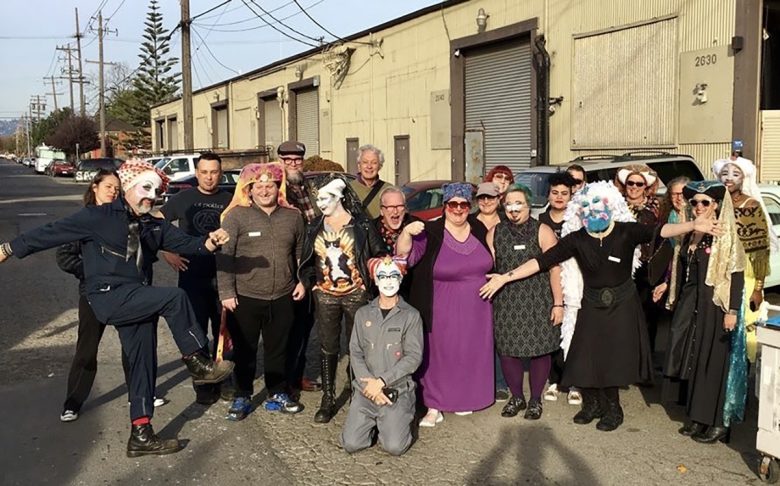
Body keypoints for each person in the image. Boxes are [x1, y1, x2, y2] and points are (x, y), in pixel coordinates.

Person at [0, 159, 234, 456]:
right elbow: (50, 232)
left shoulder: (153, 224)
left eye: (156, 190)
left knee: (142, 362)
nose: (151, 194)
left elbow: (190, 244)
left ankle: (141, 433)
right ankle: (197, 360)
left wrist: (212, 241)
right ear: (128, 188)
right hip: (107, 295)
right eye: (144, 188)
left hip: (137, 296)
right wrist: (8, 249)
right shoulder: (97, 216)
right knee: (175, 298)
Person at [479, 181, 723, 432]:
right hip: (592, 303)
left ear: (610, 207)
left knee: (612, 359)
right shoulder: (576, 239)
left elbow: (661, 230)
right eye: (586, 207)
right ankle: (592, 404)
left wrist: (693, 224)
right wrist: (505, 277)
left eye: (598, 206)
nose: (593, 211)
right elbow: (541, 261)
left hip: (622, 305)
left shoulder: (626, 231)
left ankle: (613, 408)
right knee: (584, 356)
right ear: (580, 211)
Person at [396, 183, 494, 427]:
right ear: (445, 205)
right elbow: (405, 257)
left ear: (469, 206)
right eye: (453, 204)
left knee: (470, 352)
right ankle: (434, 405)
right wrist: (407, 233)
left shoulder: (479, 228)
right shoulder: (430, 230)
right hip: (440, 305)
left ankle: (467, 398)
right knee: (440, 355)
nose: (458, 209)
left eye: (463, 204)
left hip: (478, 308)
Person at [57, 169, 151, 422]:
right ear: (95, 187)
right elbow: (64, 257)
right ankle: (73, 402)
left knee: (133, 346)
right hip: (94, 294)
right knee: (87, 349)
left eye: (117, 189)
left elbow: (138, 255)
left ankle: (139, 393)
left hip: (128, 292)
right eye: (108, 186)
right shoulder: (82, 220)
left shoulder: (127, 220)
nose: (113, 191)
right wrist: (93, 272)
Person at [217, 163, 305, 420]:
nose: (265, 190)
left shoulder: (293, 217)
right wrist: (226, 292)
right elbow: (224, 257)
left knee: (278, 349)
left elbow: (300, 253)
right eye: (259, 186)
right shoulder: (236, 217)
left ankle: (277, 392)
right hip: (245, 296)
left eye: (270, 185)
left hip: (283, 295)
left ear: (278, 188)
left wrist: (302, 281)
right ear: (250, 190)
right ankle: (242, 395)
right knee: (245, 350)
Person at [662, 181, 745, 443]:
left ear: (717, 205)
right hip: (693, 301)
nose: (698, 207)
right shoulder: (691, 231)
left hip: (715, 303)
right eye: (695, 202)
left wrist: (731, 310)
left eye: (705, 203)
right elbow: (667, 240)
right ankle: (698, 416)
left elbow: (737, 273)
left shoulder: (725, 232)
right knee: (696, 358)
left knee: (714, 361)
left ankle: (719, 422)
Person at [299, 177, 386, 423]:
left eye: (325, 198)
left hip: (356, 293)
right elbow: (306, 258)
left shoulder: (361, 225)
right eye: (318, 199)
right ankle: (328, 398)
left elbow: (379, 253)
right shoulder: (314, 225)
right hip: (325, 295)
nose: (320, 203)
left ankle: (358, 392)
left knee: (357, 346)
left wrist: (372, 279)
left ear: (339, 198)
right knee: (327, 346)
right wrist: (311, 282)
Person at [160, 152, 233, 405]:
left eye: (214, 172)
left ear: (220, 173)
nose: (209, 177)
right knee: (197, 331)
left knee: (225, 331)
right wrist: (167, 253)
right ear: (197, 173)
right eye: (204, 172)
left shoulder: (230, 199)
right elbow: (156, 222)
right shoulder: (184, 198)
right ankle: (203, 383)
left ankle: (224, 381)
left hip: (224, 275)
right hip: (192, 275)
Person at [489, 184, 563, 420]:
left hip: (538, 298)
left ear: (528, 205)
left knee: (540, 350)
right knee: (508, 351)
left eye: (518, 203)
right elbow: (491, 267)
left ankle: (535, 400)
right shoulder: (494, 232)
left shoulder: (543, 231)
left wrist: (558, 303)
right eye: (509, 204)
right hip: (507, 300)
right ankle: (517, 397)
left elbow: (554, 269)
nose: (513, 209)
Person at [341, 257, 423, 456]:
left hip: (396, 391)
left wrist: (383, 381)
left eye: (394, 275)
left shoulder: (411, 316)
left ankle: (402, 418)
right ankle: (377, 422)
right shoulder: (362, 314)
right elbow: (356, 351)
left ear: (401, 279)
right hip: (366, 390)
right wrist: (371, 386)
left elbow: (413, 357)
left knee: (395, 447)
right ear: (375, 280)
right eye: (382, 276)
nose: (388, 281)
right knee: (351, 443)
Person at [713, 156, 778, 363]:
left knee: (741, 330)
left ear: (743, 178)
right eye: (724, 174)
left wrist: (758, 288)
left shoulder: (750, 206)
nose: (728, 179)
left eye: (735, 174)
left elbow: (760, 252)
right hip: (718, 275)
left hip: (744, 276)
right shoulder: (715, 205)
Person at [278, 140, 322, 394]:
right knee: (287, 325)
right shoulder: (276, 189)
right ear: (280, 162)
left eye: (297, 160)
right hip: (287, 266)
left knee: (305, 324)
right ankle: (283, 380)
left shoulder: (309, 187)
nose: (293, 164)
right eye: (288, 160)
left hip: (311, 264)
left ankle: (298, 375)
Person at [537, 171, 581, 406]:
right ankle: (554, 379)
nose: (560, 197)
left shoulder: (576, 219)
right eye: (555, 193)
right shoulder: (540, 220)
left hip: (573, 281)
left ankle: (574, 382)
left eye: (565, 193)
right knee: (553, 331)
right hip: (547, 282)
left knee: (574, 332)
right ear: (549, 194)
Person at [615, 165, 663, 355]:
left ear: (646, 186)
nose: (634, 187)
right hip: (619, 265)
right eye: (630, 183)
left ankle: (645, 360)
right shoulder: (615, 205)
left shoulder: (656, 208)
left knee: (646, 316)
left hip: (646, 267)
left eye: (639, 184)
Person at [350, 144, 391, 219]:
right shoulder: (348, 189)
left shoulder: (389, 190)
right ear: (359, 166)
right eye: (365, 162)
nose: (369, 166)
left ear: (380, 166)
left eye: (374, 162)